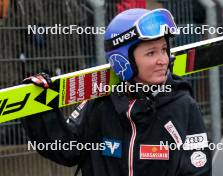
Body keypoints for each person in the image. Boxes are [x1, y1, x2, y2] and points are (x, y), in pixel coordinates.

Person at [22, 8, 211, 176]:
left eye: (164, 49)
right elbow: (67, 149)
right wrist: (42, 109)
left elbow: (198, 168)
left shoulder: (182, 105)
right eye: (151, 53)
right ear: (123, 60)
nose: (163, 60)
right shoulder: (101, 101)